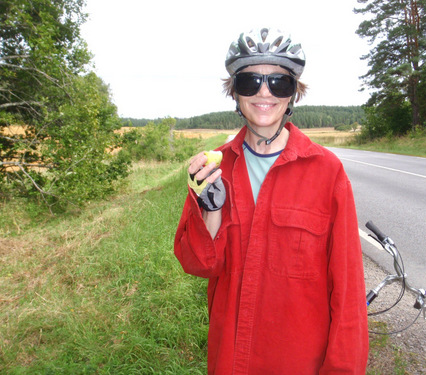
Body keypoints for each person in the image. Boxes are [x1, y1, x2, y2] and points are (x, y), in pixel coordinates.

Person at [174, 27, 369, 374]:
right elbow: (198, 264)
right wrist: (210, 211)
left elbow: (349, 289)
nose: (264, 93)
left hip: (298, 361)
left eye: (279, 82)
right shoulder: (211, 167)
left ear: (294, 93)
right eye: (250, 82)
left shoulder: (327, 171)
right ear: (235, 92)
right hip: (231, 359)